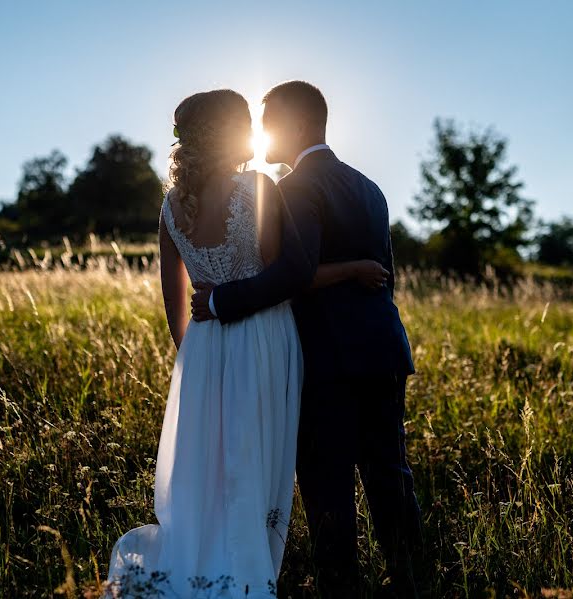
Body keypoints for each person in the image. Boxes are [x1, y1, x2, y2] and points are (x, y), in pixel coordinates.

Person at [105, 88, 390, 598]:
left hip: (204, 350)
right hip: (263, 338)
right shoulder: (258, 186)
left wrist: (198, 359)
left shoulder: (171, 209)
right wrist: (350, 269)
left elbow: (175, 307)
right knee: (258, 464)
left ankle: (207, 570)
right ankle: (248, 574)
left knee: (212, 469)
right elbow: (290, 272)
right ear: (232, 133)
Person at [191, 81, 424, 598]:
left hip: (327, 362)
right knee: (391, 477)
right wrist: (353, 272)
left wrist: (219, 301)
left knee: (327, 490)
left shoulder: (295, 187)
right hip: (382, 349)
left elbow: (294, 272)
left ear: (296, 125)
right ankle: (413, 580)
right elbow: (385, 274)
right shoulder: (368, 186)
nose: (260, 132)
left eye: (268, 119)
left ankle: (341, 589)